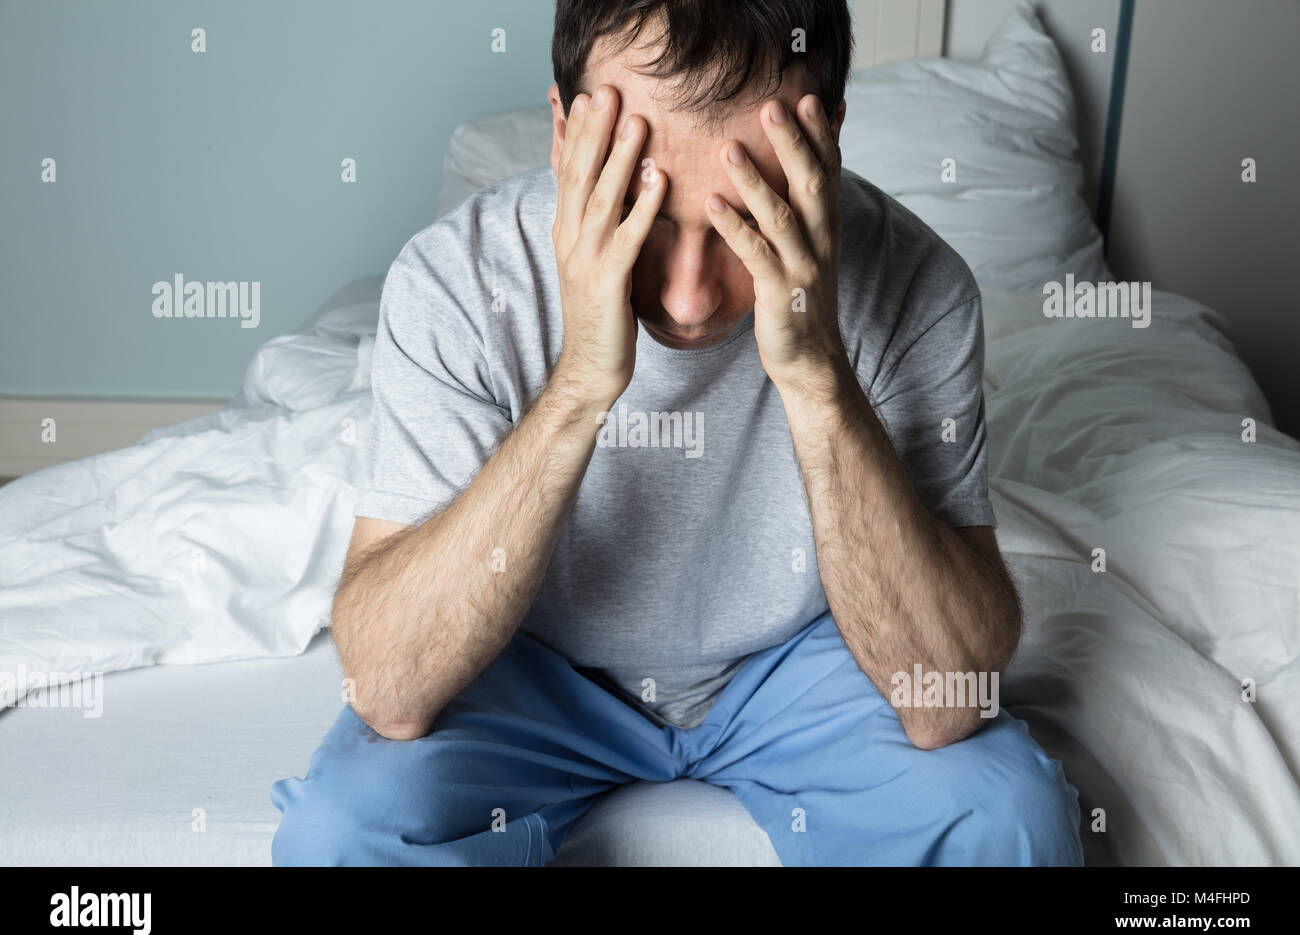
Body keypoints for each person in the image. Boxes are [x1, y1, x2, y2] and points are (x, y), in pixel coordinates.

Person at [271, 0, 1083, 866]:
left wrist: (816, 372)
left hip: (809, 658)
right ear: (564, 132)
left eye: (746, 220)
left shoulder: (920, 288)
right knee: (342, 837)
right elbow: (389, 690)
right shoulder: (457, 281)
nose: (690, 300)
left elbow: (944, 699)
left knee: (1009, 819)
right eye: (647, 219)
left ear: (829, 139)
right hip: (529, 661)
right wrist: (581, 385)